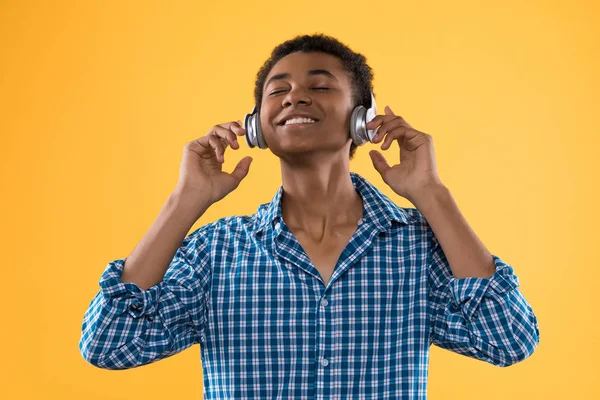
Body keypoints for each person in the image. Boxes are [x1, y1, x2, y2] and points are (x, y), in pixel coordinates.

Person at [79, 34, 539, 399]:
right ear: (257, 124)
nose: (295, 97)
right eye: (278, 90)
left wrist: (432, 194)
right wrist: (184, 201)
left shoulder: (417, 247)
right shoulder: (216, 252)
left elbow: (509, 340)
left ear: (364, 119)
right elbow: (108, 344)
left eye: (320, 86)